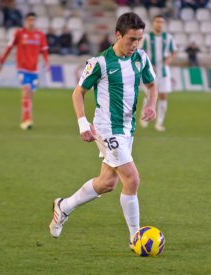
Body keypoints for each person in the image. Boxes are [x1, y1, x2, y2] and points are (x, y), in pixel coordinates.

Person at [49, 12, 158, 249]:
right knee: (132, 178)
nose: (135, 45)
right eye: (131, 39)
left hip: (127, 130)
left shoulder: (141, 58)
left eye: (139, 39)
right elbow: (78, 92)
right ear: (117, 35)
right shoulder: (98, 62)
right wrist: (82, 123)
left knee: (107, 183)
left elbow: (151, 84)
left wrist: (151, 104)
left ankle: (64, 206)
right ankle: (135, 237)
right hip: (107, 129)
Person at [0, 12, 49, 130]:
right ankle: (26, 120)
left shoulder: (40, 35)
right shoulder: (19, 34)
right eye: (29, 19)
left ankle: (26, 118)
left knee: (29, 95)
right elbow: (9, 48)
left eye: (33, 20)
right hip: (22, 68)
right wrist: (1, 63)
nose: (31, 22)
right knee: (26, 91)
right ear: (25, 21)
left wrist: (47, 63)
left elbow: (44, 51)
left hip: (34, 69)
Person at [140, 14, 177, 131]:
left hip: (164, 72)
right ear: (153, 23)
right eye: (157, 22)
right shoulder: (146, 37)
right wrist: (146, 64)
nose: (159, 24)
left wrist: (169, 59)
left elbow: (174, 52)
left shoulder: (168, 37)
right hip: (150, 71)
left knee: (163, 96)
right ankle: (144, 118)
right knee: (149, 95)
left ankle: (159, 123)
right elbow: (140, 52)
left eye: (161, 22)